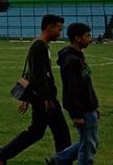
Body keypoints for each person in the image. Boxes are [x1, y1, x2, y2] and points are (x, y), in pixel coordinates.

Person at [0, 14, 71, 165]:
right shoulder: (39, 45)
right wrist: (47, 99)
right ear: (49, 27)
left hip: (39, 97)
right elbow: (38, 75)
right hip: (44, 98)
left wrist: (28, 98)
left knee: (36, 132)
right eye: (59, 29)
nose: (60, 33)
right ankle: (62, 162)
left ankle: (1, 155)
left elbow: (32, 73)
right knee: (61, 134)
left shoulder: (40, 44)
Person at [47, 23, 99, 165]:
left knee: (88, 141)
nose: (91, 39)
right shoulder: (70, 61)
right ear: (77, 38)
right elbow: (71, 89)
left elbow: (86, 81)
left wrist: (95, 104)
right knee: (87, 147)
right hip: (82, 110)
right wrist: (76, 114)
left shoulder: (79, 56)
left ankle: (57, 161)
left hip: (89, 107)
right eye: (88, 36)